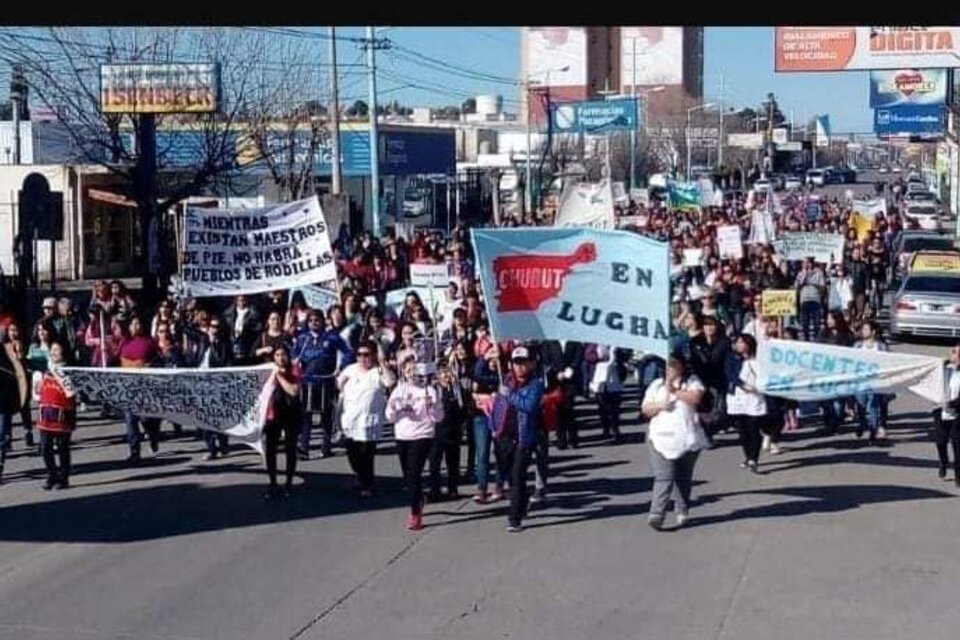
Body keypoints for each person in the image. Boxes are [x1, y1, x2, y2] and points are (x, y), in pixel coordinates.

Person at [641, 357, 709, 530]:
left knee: (683, 477)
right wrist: (660, 406)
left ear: (681, 366)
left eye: (674, 365)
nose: (670, 368)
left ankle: (682, 509)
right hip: (660, 437)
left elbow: (696, 398)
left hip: (687, 437)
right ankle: (657, 513)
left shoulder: (692, 381)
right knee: (664, 476)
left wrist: (674, 390)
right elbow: (646, 409)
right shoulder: (656, 384)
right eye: (667, 365)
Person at [385, 359, 443, 531]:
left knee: (414, 473)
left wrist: (432, 406)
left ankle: (415, 513)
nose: (412, 373)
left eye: (415, 370)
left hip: (422, 434)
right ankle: (419, 497)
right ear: (403, 372)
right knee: (408, 476)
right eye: (408, 370)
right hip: (403, 435)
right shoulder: (399, 390)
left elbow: (438, 417)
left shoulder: (429, 390)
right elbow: (389, 417)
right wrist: (394, 409)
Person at [493, 346, 545, 533]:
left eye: (524, 362)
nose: (520, 367)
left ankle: (514, 519)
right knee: (509, 476)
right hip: (504, 436)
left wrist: (510, 395)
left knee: (517, 476)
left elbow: (529, 406)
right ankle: (522, 503)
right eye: (516, 363)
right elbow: (498, 406)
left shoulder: (536, 384)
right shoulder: (506, 379)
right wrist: (494, 427)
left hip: (524, 437)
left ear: (531, 363)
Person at [292, 310, 354, 459]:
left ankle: (326, 447)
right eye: (311, 320)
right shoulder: (302, 339)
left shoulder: (331, 338)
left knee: (326, 415)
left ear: (323, 321)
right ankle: (304, 448)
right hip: (308, 381)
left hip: (326, 380)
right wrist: (295, 363)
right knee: (306, 416)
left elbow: (348, 352)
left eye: (317, 320)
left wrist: (340, 367)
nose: (314, 322)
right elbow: (294, 354)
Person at [337, 340, 395, 497]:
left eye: (366, 355)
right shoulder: (350, 370)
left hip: (369, 420)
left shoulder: (377, 372)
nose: (363, 358)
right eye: (359, 355)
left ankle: (367, 484)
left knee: (366, 454)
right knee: (352, 453)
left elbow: (390, 381)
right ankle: (361, 477)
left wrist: (383, 362)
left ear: (373, 356)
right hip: (350, 419)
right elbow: (339, 384)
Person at [119, 315, 161, 462]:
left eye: (139, 323)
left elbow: (158, 362)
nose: (136, 326)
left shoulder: (149, 343)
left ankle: (153, 436)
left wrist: (150, 367)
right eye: (133, 323)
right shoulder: (124, 343)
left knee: (146, 419)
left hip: (145, 387)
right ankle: (134, 451)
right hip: (129, 388)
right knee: (130, 420)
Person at [36, 342, 77, 490]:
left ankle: (63, 478)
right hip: (46, 414)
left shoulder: (68, 371)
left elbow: (72, 394)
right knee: (46, 448)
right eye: (52, 350)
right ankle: (51, 475)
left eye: (57, 350)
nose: (53, 353)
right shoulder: (46, 370)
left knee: (63, 448)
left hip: (62, 414)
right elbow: (39, 391)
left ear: (63, 353)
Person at [263, 346, 302, 499]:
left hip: (290, 413)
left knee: (290, 448)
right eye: (277, 355)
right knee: (270, 449)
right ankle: (273, 483)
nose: (280, 358)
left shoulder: (294, 369)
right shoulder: (268, 370)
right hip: (273, 414)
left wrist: (279, 376)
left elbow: (293, 391)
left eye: (283, 355)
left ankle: (288, 483)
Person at [726, 334, 766, 474]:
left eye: (742, 342)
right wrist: (742, 385)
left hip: (755, 397)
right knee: (743, 430)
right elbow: (730, 374)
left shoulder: (759, 358)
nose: (739, 345)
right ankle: (748, 456)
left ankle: (754, 458)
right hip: (738, 397)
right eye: (738, 342)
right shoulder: (732, 358)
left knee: (754, 428)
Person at [196, 317, 232, 459]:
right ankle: (211, 448)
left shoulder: (224, 345)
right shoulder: (203, 341)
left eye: (216, 327)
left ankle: (223, 443)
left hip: (217, 384)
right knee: (204, 418)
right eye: (211, 326)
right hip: (202, 383)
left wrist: (213, 344)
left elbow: (221, 362)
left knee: (219, 417)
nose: (213, 329)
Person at [429, 362, 464, 501]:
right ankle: (435, 490)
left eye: (448, 372)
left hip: (453, 431)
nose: (446, 375)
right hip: (436, 432)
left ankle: (453, 488)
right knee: (434, 463)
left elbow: (462, 405)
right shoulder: (433, 390)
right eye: (443, 373)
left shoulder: (456, 389)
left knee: (453, 463)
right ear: (437, 376)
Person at [854, 320, 890, 444]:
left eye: (866, 329)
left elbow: (888, 362)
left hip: (876, 382)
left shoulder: (881, 346)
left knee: (874, 407)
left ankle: (873, 430)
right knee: (861, 406)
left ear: (873, 332)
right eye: (862, 329)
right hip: (861, 382)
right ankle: (862, 424)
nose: (863, 332)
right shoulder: (857, 345)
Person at [937, 343, 960, 485]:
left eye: (955, 352)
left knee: (957, 446)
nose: (951, 353)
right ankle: (943, 462)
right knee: (940, 441)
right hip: (940, 412)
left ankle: (958, 474)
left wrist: (951, 404)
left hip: (957, 414)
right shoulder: (943, 368)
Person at [223, 295, 261, 365]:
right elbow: (226, 327)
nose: (242, 302)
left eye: (244, 300)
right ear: (236, 301)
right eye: (240, 300)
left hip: (246, 343)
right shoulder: (229, 313)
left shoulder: (253, 313)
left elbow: (257, 328)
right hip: (232, 341)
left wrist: (246, 331)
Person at [795, 257, 826, 341]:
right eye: (805, 263)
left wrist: (813, 283)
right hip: (804, 301)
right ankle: (806, 340)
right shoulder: (800, 274)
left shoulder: (819, 273)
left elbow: (823, 287)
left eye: (809, 262)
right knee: (805, 323)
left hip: (815, 300)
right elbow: (797, 288)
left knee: (816, 323)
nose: (808, 264)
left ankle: (817, 340)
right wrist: (805, 276)